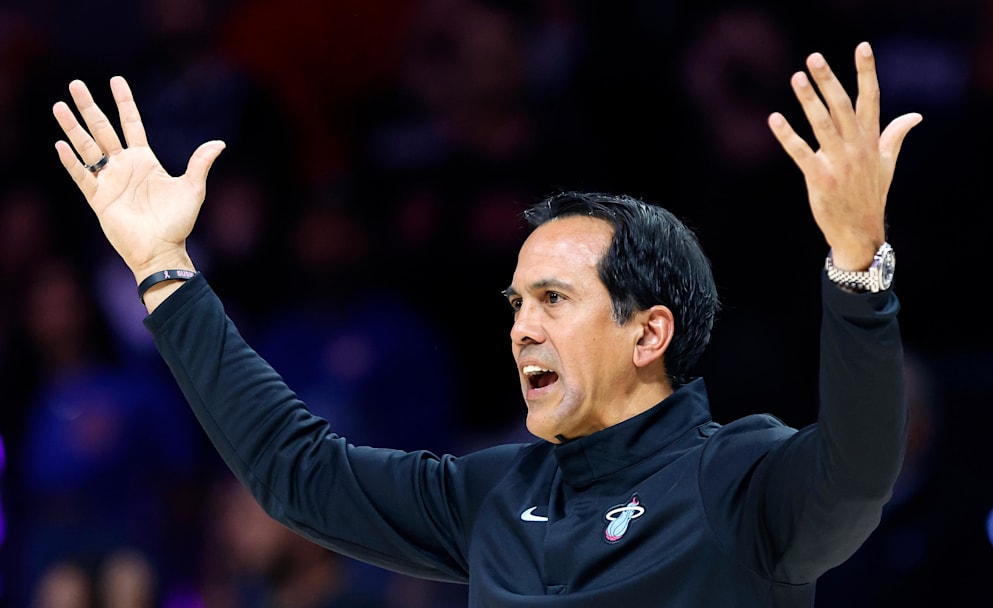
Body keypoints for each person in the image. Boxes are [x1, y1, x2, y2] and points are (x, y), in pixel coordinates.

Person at [51, 41, 921, 606]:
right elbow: (296, 473)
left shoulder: (739, 479)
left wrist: (857, 267)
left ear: (649, 334)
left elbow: (856, 477)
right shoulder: (494, 494)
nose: (521, 327)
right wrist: (164, 269)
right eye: (517, 303)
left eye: (554, 299)